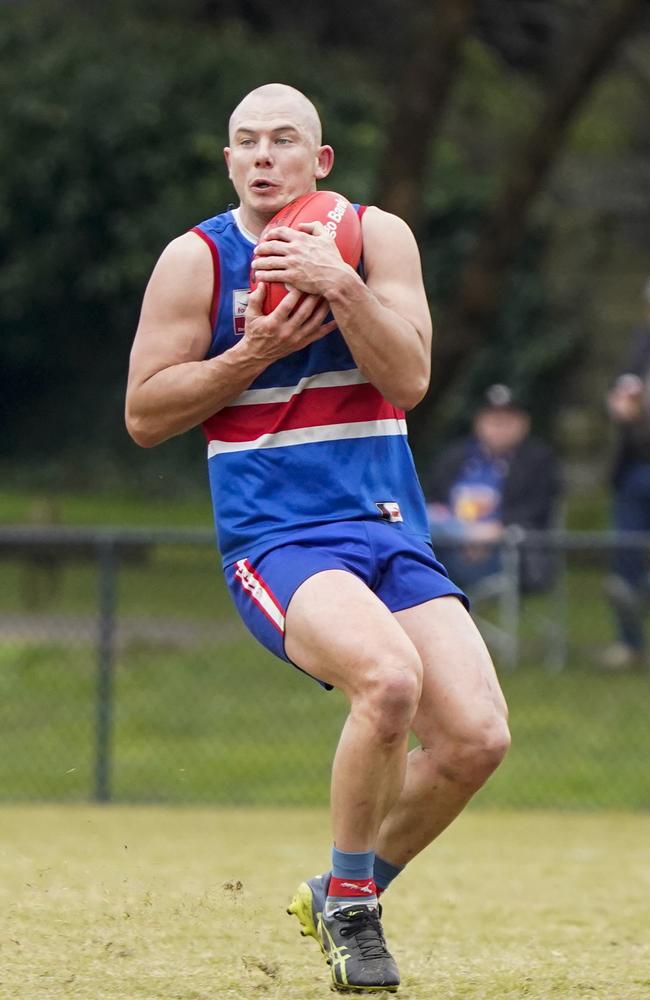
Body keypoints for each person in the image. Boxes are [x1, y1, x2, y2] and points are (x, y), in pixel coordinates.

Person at [125, 83, 510, 994]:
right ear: (228, 162)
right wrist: (249, 354)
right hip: (278, 537)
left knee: (476, 739)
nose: (264, 156)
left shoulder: (378, 241)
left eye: (284, 141)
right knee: (388, 681)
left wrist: (340, 287)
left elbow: (410, 378)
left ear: (318, 160)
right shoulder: (197, 259)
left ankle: (337, 886)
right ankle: (352, 909)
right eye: (246, 142)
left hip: (386, 526)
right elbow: (143, 415)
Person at [427, 384, 562, 593]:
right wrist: (466, 535)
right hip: (447, 544)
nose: (499, 428)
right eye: (493, 420)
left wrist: (497, 531)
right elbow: (434, 501)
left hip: (507, 551)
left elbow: (538, 508)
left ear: (524, 424)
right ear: (478, 422)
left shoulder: (538, 461)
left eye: (507, 421)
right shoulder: (454, 458)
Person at [602, 278, 650, 670]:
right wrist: (620, 403)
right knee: (625, 558)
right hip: (635, 467)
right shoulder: (642, 343)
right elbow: (622, 390)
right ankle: (630, 642)